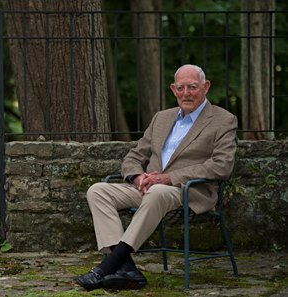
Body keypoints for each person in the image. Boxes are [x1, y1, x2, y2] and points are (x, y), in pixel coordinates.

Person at [76, 64, 238, 291]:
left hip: (186, 190)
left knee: (158, 192)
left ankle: (106, 267)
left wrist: (168, 178)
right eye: (180, 88)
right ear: (173, 89)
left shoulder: (223, 120)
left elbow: (221, 166)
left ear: (205, 87)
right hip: (146, 188)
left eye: (192, 87)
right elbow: (134, 156)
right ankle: (128, 270)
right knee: (97, 190)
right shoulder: (162, 118)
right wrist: (136, 177)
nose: (186, 93)